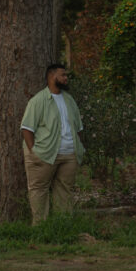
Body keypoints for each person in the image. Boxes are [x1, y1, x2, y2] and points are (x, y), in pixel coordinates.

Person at [21, 64, 85, 225]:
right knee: (39, 190)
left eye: (66, 75)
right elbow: (27, 128)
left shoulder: (69, 100)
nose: (66, 78)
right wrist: (33, 151)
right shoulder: (38, 101)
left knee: (64, 191)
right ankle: (40, 227)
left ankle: (62, 226)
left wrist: (79, 148)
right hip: (44, 154)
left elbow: (78, 128)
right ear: (51, 76)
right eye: (63, 75)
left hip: (69, 155)